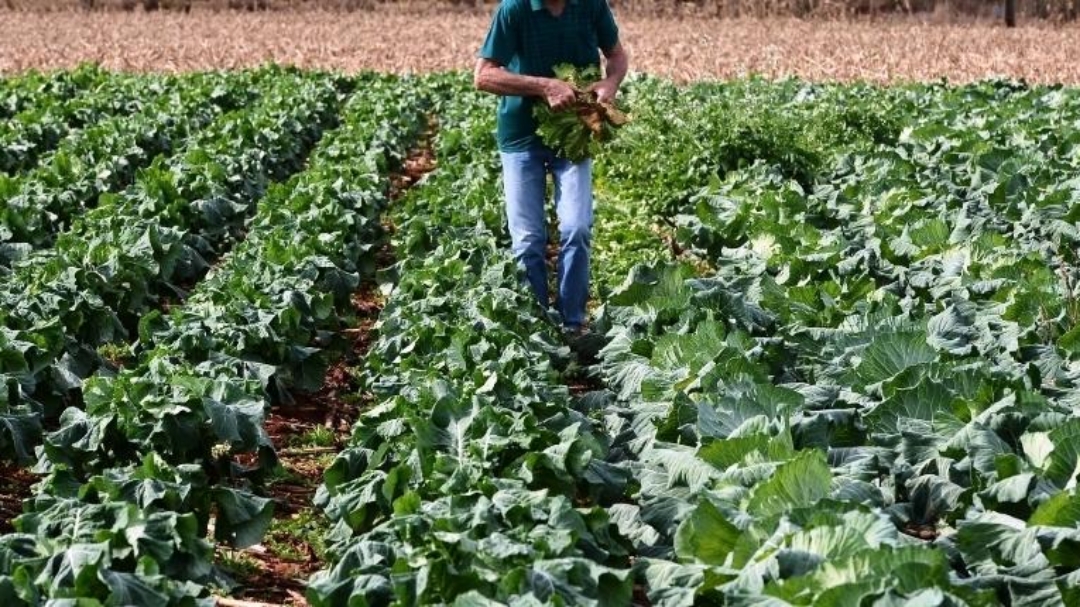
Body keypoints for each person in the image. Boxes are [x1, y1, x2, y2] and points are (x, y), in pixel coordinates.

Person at [473, 0, 629, 337]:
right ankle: (538, 326)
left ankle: (573, 324)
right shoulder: (513, 10)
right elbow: (484, 75)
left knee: (577, 227)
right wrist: (545, 86)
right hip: (520, 136)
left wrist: (609, 84)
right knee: (528, 239)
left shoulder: (590, 6)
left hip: (574, 133)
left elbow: (616, 57)